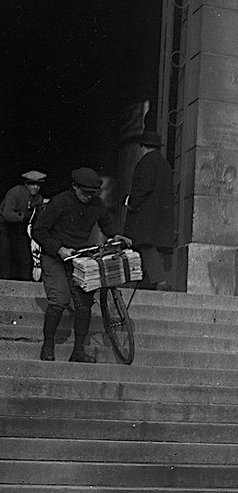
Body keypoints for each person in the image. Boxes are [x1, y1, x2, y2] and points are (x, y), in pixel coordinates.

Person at [31, 167, 131, 362]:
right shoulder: (60, 202)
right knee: (59, 299)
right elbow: (39, 230)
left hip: (79, 258)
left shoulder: (97, 204)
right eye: (84, 192)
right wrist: (59, 249)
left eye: (92, 194)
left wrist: (115, 235)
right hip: (55, 257)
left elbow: (107, 224)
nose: (88, 197)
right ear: (74, 186)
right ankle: (48, 345)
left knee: (83, 305)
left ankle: (78, 351)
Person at [124, 131, 175, 290]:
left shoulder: (147, 161)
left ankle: (159, 281)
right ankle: (149, 281)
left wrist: (131, 202)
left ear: (142, 147)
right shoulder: (163, 163)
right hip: (159, 214)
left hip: (146, 214)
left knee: (145, 245)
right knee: (150, 245)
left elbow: (143, 187)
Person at [0, 170, 46, 280]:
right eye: (32, 184)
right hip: (4, 228)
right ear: (26, 184)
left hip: (20, 230)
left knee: (25, 258)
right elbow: (7, 214)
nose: (35, 187)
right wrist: (23, 216)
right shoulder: (16, 192)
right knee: (5, 256)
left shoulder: (38, 198)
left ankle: (25, 284)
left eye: (38, 184)